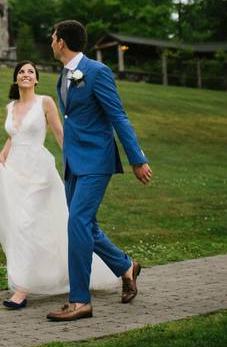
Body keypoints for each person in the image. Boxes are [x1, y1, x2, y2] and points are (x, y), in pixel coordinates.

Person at [0, 61, 121, 310]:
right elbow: (14, 136)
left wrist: (77, 164)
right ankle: (45, 276)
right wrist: (2, 156)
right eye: (21, 72)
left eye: (30, 72)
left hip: (39, 172)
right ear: (15, 79)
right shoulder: (11, 106)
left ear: (36, 80)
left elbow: (60, 134)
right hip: (14, 173)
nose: (25, 74)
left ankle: (22, 289)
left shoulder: (45, 102)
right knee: (18, 227)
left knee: (27, 226)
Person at [45, 20, 152, 322]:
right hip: (73, 162)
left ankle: (80, 301)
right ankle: (126, 267)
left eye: (53, 38)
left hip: (96, 160)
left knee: (77, 222)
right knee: (86, 225)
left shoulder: (97, 72)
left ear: (62, 42)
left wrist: (137, 159)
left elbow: (118, 115)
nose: (51, 42)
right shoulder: (64, 76)